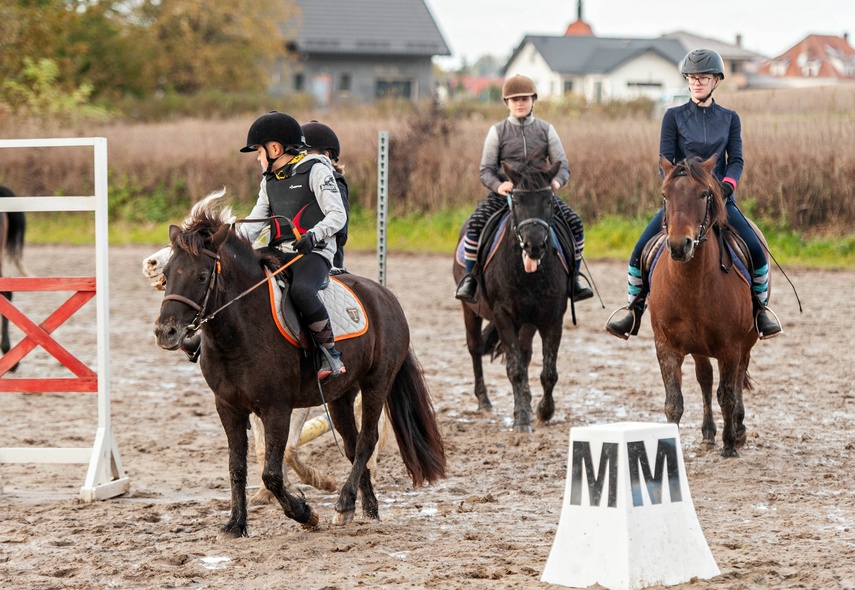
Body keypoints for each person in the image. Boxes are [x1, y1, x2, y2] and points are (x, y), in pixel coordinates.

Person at [604, 48, 782, 340]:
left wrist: (726, 186)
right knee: (639, 251)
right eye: (692, 77)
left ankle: (760, 310)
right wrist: (676, 190)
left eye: (703, 78)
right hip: (682, 202)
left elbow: (736, 160)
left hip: (720, 200)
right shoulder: (673, 116)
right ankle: (633, 309)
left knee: (756, 250)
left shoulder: (730, 118)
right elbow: (666, 159)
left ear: (716, 81)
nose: (697, 82)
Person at [454, 74, 592, 303]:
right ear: (507, 103)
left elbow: (563, 165)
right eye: (514, 99)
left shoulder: (546, 129)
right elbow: (485, 170)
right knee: (475, 225)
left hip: (539, 195)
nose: (520, 103)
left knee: (575, 223)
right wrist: (499, 186)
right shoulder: (497, 132)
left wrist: (556, 182)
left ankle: (574, 279)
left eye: (524, 99)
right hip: (507, 194)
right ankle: (470, 278)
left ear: (533, 100)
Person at [239, 111, 348, 380]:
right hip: (278, 251)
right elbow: (255, 221)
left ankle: (329, 352)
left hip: (314, 252)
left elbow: (338, 215)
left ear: (274, 149)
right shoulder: (268, 182)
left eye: (258, 151)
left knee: (301, 290)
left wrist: (314, 234)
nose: (257, 157)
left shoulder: (317, 170)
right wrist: (230, 244)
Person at [302, 120, 349, 273]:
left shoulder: (335, 181)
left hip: (327, 256)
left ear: (326, 154)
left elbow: (341, 229)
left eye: (307, 153)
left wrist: (314, 235)